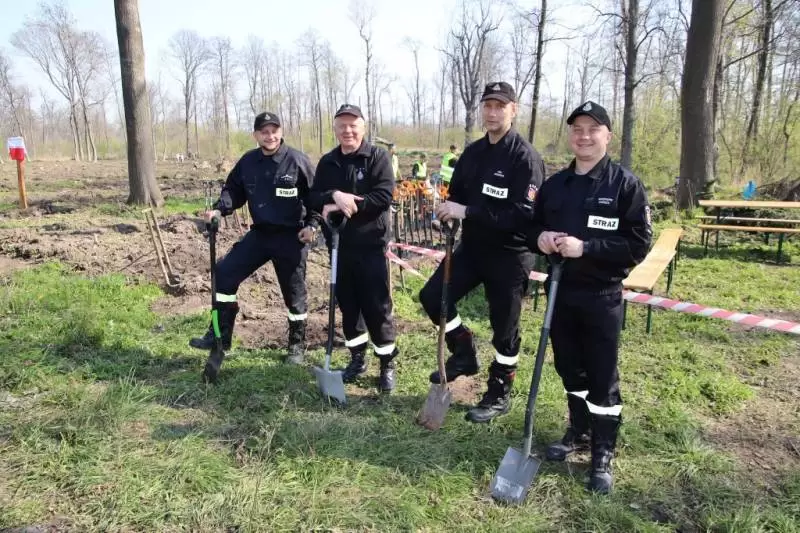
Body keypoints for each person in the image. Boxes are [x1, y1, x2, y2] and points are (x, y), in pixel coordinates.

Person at [526, 101, 651, 494]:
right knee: (569, 370)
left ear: (607, 136)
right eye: (577, 129)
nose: (584, 136)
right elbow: (531, 227)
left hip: (601, 296)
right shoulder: (555, 186)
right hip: (559, 292)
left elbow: (638, 244)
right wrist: (541, 238)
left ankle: (602, 451)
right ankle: (578, 430)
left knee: (601, 376)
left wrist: (588, 248)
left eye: (592, 129)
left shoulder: (624, 186)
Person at [418, 81, 545, 423]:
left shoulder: (525, 158)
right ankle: (463, 351)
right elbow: (457, 196)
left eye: (499, 106)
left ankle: (499, 391)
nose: (492, 112)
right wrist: (446, 213)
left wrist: (468, 212)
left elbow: (523, 215)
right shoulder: (473, 153)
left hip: (510, 254)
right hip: (472, 248)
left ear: (513, 110)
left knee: (504, 328)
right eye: (487, 105)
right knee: (433, 296)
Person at [189, 111, 317, 372]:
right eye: (264, 132)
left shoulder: (297, 161)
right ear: (255, 135)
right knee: (224, 273)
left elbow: (316, 197)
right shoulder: (248, 162)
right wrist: (219, 210)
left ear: (281, 132)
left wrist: (312, 226)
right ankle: (220, 334)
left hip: (291, 237)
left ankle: (296, 345)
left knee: (294, 293)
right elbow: (233, 191)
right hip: (260, 234)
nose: (270, 136)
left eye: (274, 131)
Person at [305, 104, 398, 393]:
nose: (348, 131)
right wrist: (334, 195)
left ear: (363, 127)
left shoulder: (377, 157)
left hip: (371, 246)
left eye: (353, 125)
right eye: (342, 125)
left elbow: (383, 196)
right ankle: (357, 358)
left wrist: (349, 204)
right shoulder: (328, 162)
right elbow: (313, 196)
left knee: (377, 306)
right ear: (335, 129)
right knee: (348, 306)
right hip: (340, 245)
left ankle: (386, 363)